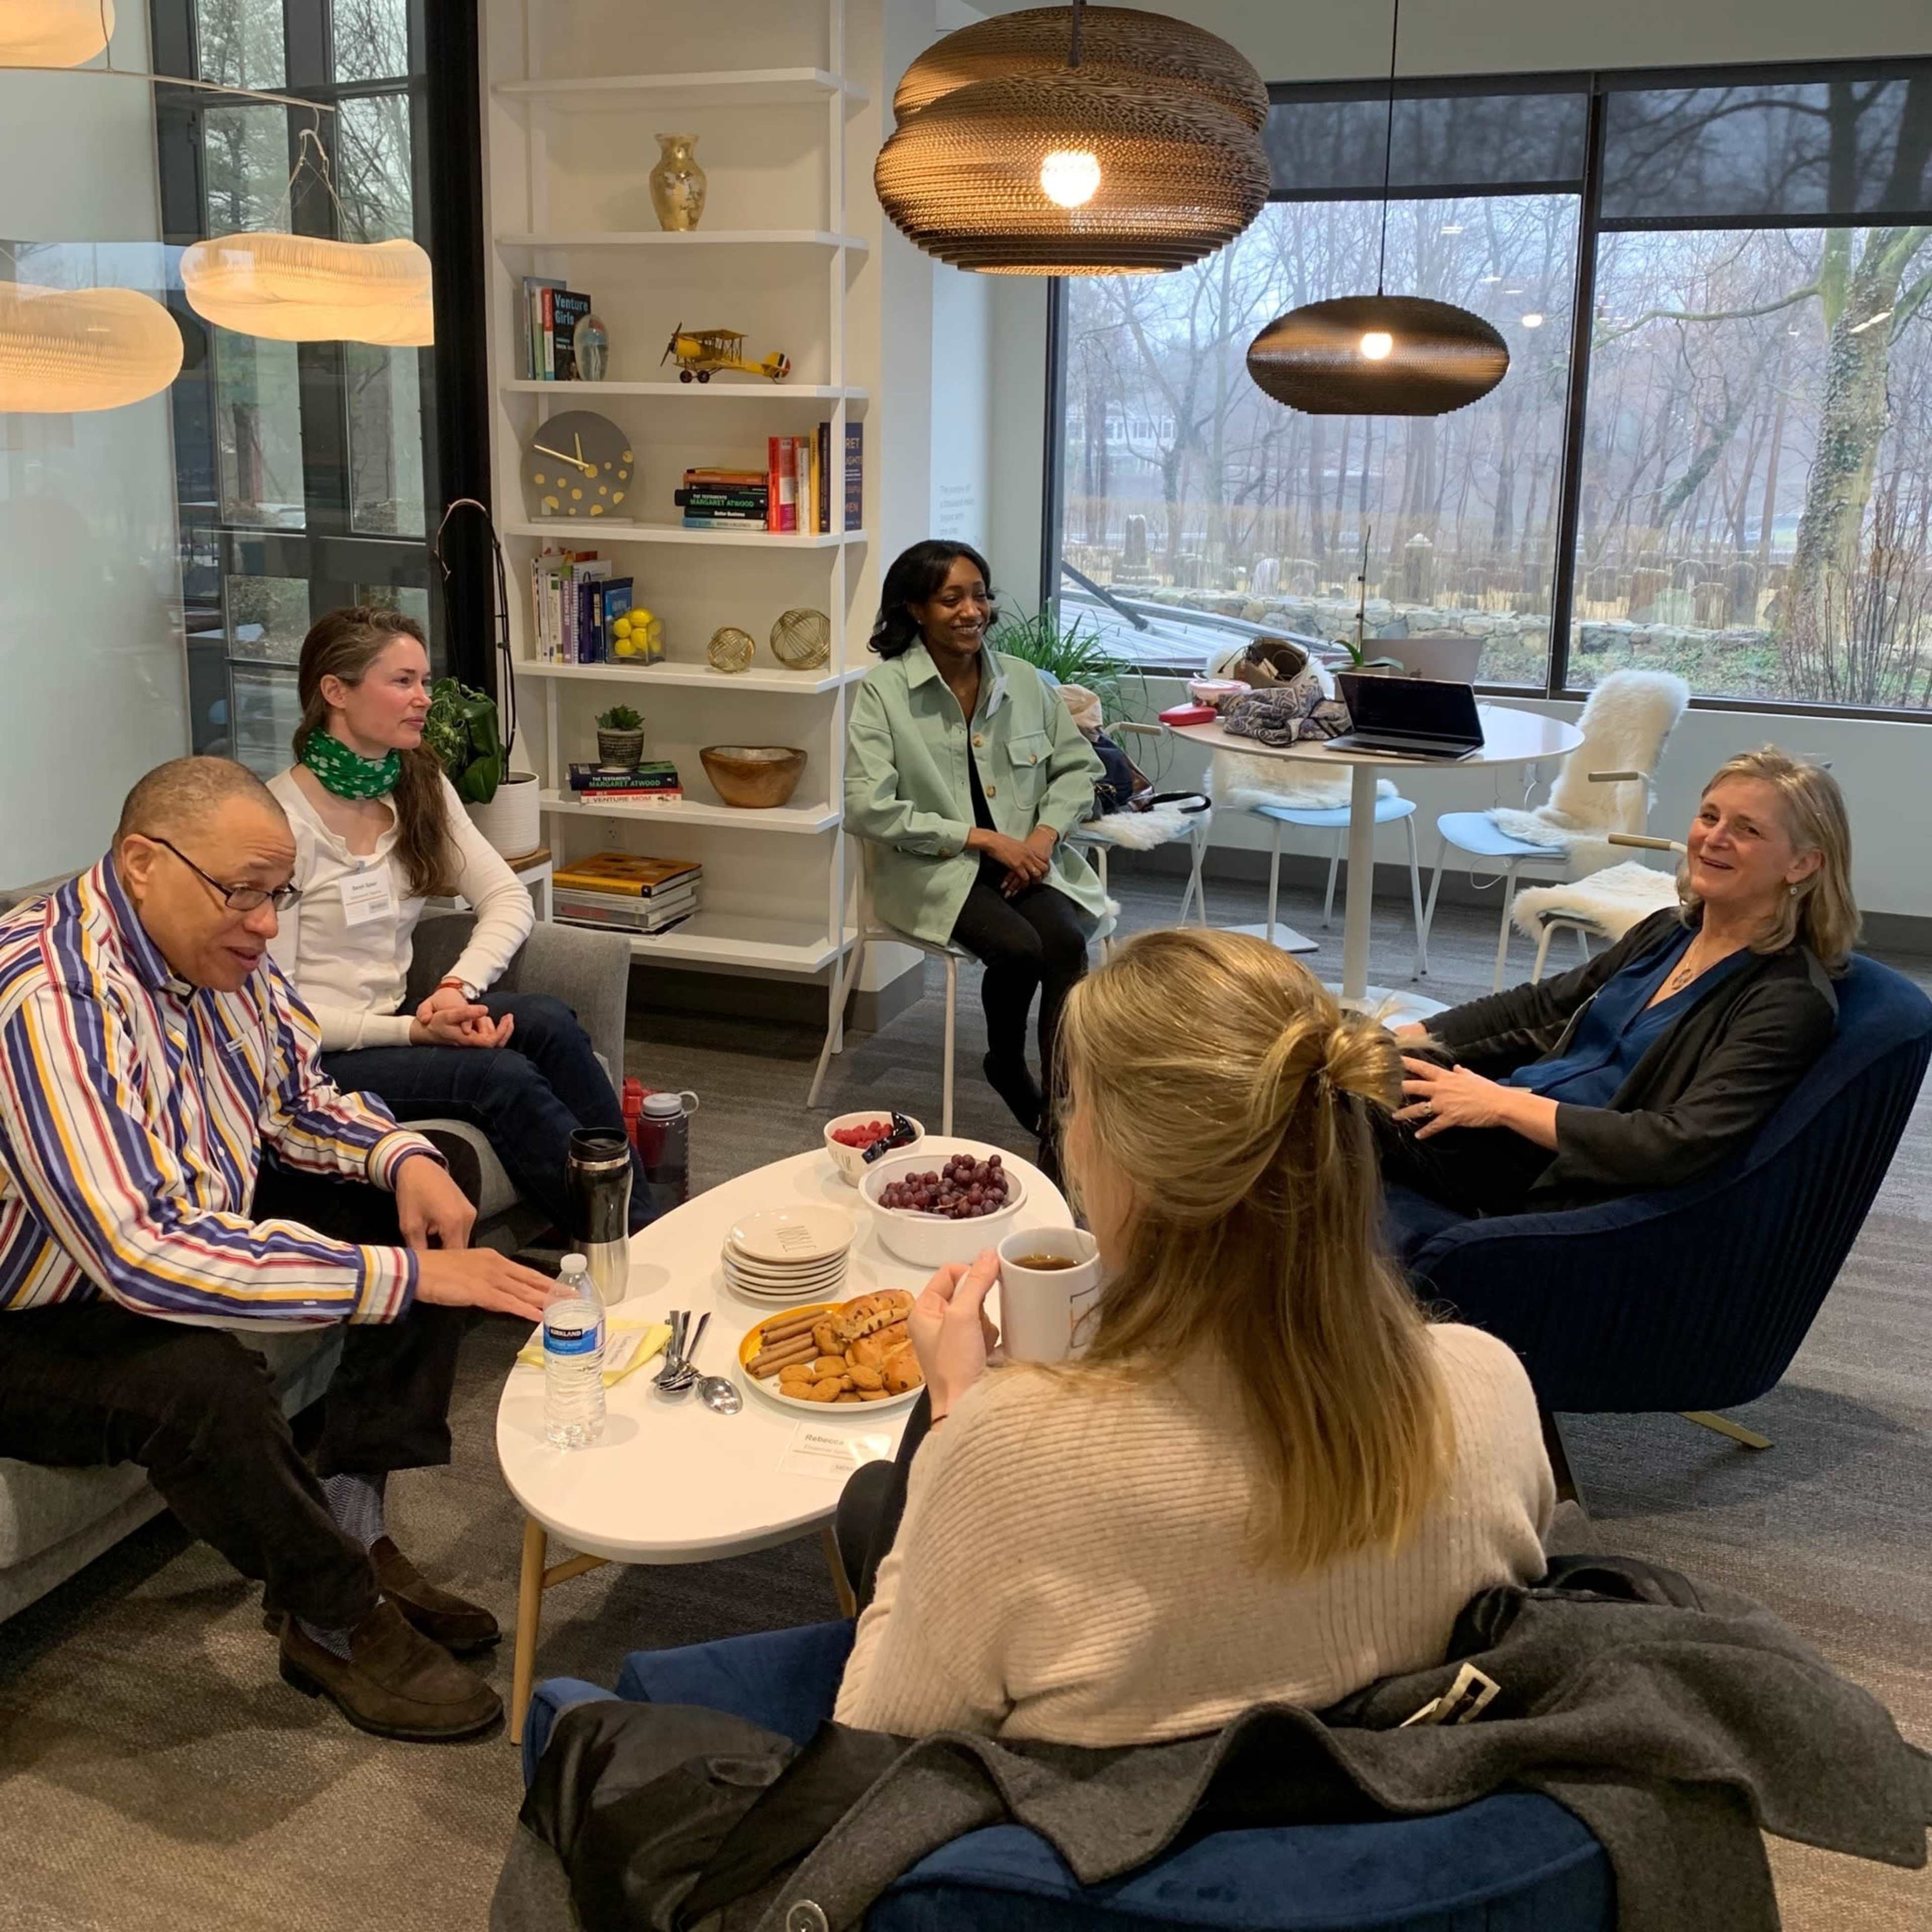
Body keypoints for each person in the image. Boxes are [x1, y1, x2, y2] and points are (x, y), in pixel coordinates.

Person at [831, 926, 1553, 1743]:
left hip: (1093, 1849)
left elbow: (872, 1743)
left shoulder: (1003, 1459)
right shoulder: (1491, 1386)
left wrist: (956, 1416)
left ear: (1110, 1155)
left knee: (873, 1508)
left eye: (1077, 1106)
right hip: (1383, 1820)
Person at [0, 756, 561, 1742]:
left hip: (157, 1233)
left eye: (277, 895)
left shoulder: (221, 958)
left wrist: (399, 1155)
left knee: (429, 1195)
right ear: (141, 863)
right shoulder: (53, 1004)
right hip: (37, 1312)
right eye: (244, 894)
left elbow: (297, 1099)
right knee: (204, 1380)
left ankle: (354, 1519)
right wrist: (406, 1279)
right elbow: (141, 1255)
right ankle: (335, 1615)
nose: (266, 924)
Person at [268, 606, 650, 1238]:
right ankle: (623, 1235)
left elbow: (507, 896)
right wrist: (414, 1034)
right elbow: (280, 1017)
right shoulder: (278, 822)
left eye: (424, 680)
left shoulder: (415, 783)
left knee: (548, 1022)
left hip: (401, 1018)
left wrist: (454, 991)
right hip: (318, 1057)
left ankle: (638, 1210)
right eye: (402, 682)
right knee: (499, 1076)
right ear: (335, 691)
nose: (423, 699)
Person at [1381, 747, 1859, 1219]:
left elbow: (1677, 1142)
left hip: (1554, 1171)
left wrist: (1502, 1106)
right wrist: (1410, 1036)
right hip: (1506, 1115)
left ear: (1802, 865)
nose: (1714, 838)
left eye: (1747, 829)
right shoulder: (1670, 932)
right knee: (1341, 1055)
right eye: (1709, 817)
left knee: (1335, 1107)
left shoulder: (1788, 1000)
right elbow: (1540, 1006)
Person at [844, 541, 1106, 1149]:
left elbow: (1077, 769)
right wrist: (985, 840)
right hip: (936, 868)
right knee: (1018, 950)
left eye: (980, 595)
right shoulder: (885, 692)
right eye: (951, 598)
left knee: (1065, 943)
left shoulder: (1022, 681)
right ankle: (1007, 1065)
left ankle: (1063, 1115)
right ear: (914, 609)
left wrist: (1039, 838)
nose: (972, 611)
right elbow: (867, 807)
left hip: (1025, 859)